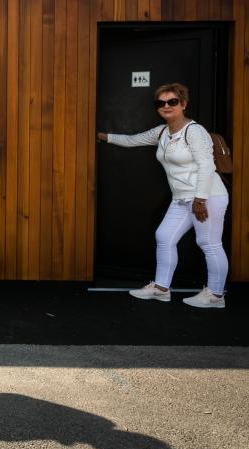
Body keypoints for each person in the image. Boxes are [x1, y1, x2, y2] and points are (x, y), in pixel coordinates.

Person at [97, 82, 229, 308]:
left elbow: (207, 167)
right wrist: (101, 136)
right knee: (164, 237)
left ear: (183, 104)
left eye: (172, 102)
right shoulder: (162, 132)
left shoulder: (194, 131)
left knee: (209, 243)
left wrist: (200, 200)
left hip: (207, 196)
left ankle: (216, 295)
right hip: (181, 198)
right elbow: (132, 140)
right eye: (161, 103)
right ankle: (161, 289)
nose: (166, 106)